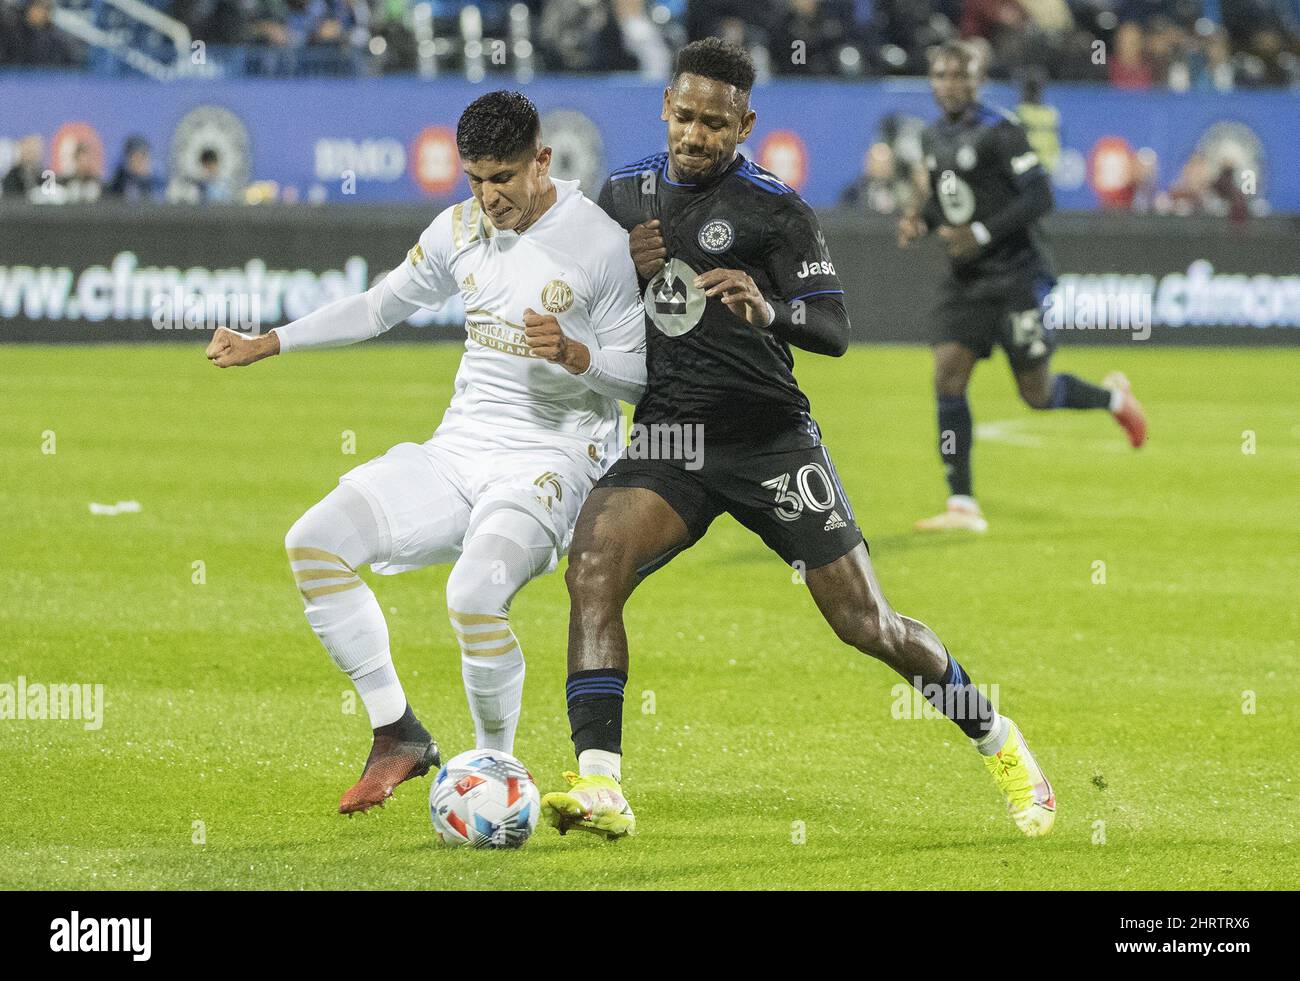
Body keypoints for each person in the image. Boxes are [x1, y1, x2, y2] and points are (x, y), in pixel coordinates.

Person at [540, 38, 1056, 841]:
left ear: (745, 125)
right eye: (686, 116)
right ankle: (601, 782)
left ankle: (999, 739)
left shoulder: (774, 209)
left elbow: (835, 328)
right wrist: (621, 272)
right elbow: (587, 306)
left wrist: (768, 306)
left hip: (770, 439)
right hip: (672, 436)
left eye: (717, 124)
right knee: (593, 566)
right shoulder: (625, 194)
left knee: (868, 625)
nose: (697, 134)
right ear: (666, 107)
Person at [204, 91, 646, 814]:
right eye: (475, 179)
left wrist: (576, 355)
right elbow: (378, 306)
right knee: (314, 543)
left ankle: (497, 773)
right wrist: (271, 341)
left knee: (473, 594)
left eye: (503, 177)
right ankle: (397, 734)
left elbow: (644, 375)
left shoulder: (597, 243)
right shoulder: (460, 228)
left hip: (554, 459)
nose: (488, 197)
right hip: (459, 449)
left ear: (542, 161)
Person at [899, 40, 1146, 533]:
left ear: (978, 80)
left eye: (960, 75)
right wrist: (921, 220)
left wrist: (981, 233)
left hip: (1016, 276)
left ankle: (1115, 400)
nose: (950, 84)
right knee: (947, 377)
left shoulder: (1003, 130)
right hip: (968, 279)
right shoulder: (931, 137)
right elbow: (950, 200)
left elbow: (1040, 196)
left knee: (1037, 393)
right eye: (941, 75)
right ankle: (962, 503)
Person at [106, 136, 160, 201]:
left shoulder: (156, 185)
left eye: (144, 157)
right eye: (137, 157)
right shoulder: (118, 184)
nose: (141, 162)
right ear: (127, 159)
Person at [2, 134, 44, 199]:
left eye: (37, 150)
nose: (35, 154)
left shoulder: (40, 173)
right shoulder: (12, 175)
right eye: (30, 150)